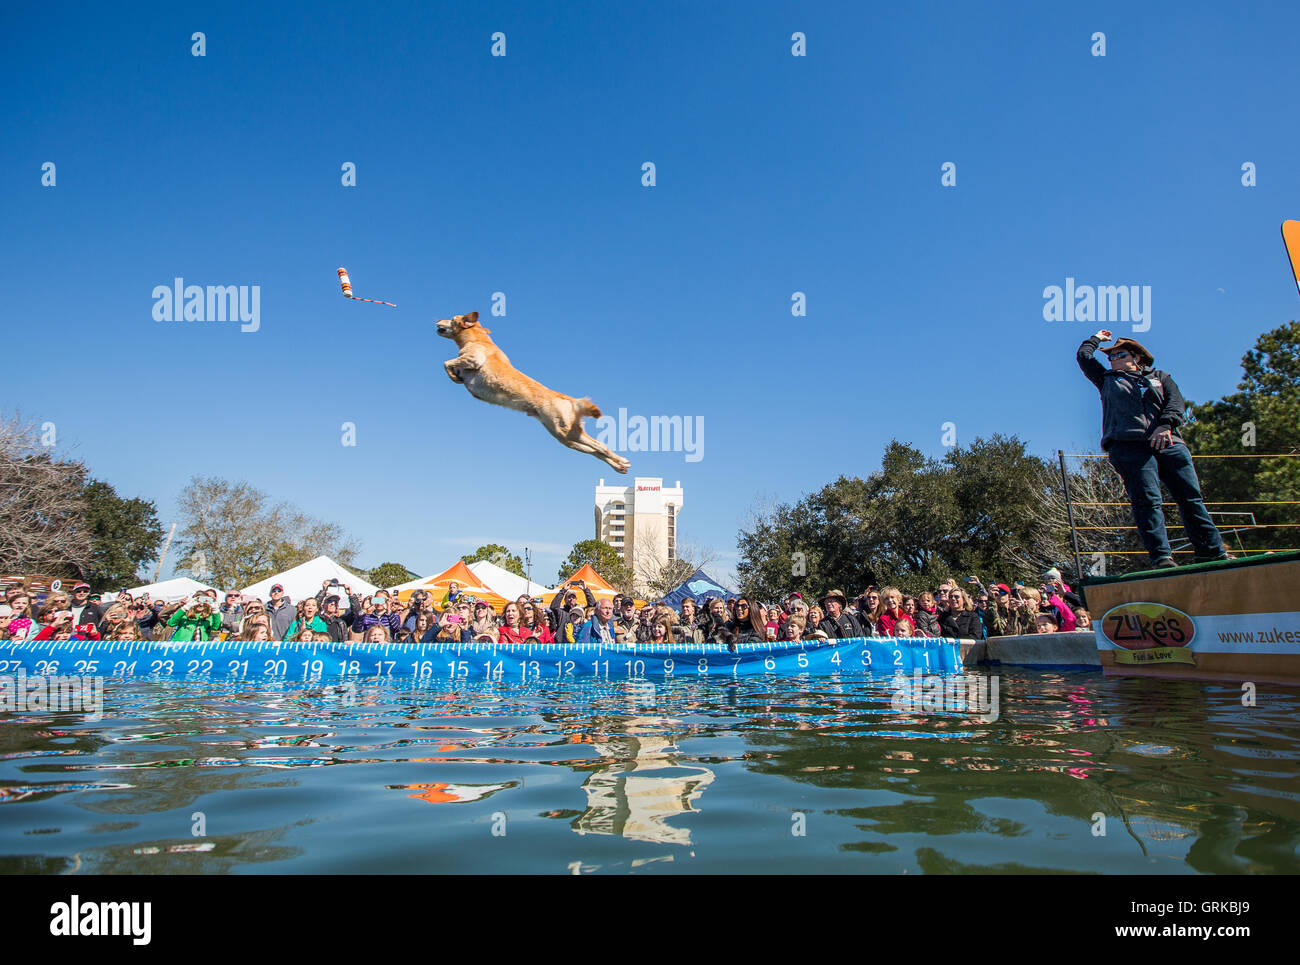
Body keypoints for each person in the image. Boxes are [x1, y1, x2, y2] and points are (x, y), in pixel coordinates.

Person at [1077, 329, 1229, 567]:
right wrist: (1096, 339)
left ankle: (1211, 550)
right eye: (1111, 356)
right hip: (1129, 446)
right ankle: (1162, 557)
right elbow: (1084, 357)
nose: (1114, 359)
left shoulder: (1161, 376)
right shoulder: (1106, 379)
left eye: (1120, 355)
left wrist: (1166, 425)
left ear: (1137, 357)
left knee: (1190, 498)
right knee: (1147, 501)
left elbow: (1176, 402)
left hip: (1169, 442)